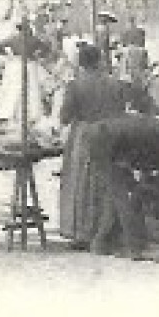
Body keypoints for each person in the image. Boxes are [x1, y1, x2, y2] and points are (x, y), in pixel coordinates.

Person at [56, 43, 132, 246]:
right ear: (99, 61)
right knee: (105, 183)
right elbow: (121, 111)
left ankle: (83, 232)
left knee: (82, 183)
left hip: (85, 135)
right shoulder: (115, 84)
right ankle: (105, 230)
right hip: (110, 132)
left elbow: (64, 117)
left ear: (80, 64)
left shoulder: (75, 85)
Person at [87, 113, 159, 259]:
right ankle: (137, 247)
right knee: (124, 197)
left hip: (106, 138)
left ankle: (101, 243)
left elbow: (144, 167)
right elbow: (158, 182)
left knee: (116, 197)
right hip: (107, 143)